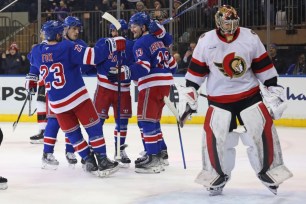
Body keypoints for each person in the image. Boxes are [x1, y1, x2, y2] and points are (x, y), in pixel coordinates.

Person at [178, 5, 292, 195]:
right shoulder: (206, 41)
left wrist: (273, 88)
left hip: (250, 95)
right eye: (225, 22)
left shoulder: (250, 37)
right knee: (216, 137)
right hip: (219, 100)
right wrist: (189, 95)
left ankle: (270, 171)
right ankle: (215, 175)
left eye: (232, 22)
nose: (229, 26)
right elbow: (195, 74)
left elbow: (263, 66)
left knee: (261, 129)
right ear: (218, 22)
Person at [25, 20, 126, 177]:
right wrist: (111, 43)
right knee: (94, 128)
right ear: (59, 34)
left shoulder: (37, 51)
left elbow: (32, 60)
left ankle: (88, 159)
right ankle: (102, 160)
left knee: (73, 134)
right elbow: (94, 57)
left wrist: (31, 76)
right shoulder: (67, 46)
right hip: (76, 97)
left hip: (57, 104)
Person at [108, 12, 177, 173]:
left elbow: (143, 68)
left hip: (151, 85)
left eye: (135, 26)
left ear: (144, 27)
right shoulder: (160, 42)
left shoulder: (140, 43)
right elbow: (173, 66)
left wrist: (124, 71)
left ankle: (153, 158)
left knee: (146, 121)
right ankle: (160, 153)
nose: (132, 29)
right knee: (153, 121)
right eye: (131, 26)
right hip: (165, 85)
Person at [40, 16, 93, 169]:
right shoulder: (56, 44)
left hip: (73, 90)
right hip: (57, 91)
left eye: (78, 29)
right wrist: (32, 73)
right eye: (73, 29)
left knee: (73, 121)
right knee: (54, 120)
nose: (76, 32)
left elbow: (88, 65)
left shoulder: (80, 44)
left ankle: (71, 151)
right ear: (64, 30)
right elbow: (37, 60)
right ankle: (47, 153)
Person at [93, 19, 134, 168]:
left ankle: (119, 149)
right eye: (113, 30)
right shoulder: (103, 42)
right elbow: (95, 59)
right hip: (104, 88)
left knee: (122, 122)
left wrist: (125, 72)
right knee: (98, 121)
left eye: (117, 30)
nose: (115, 33)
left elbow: (135, 65)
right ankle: (96, 150)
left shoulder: (131, 45)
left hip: (122, 89)